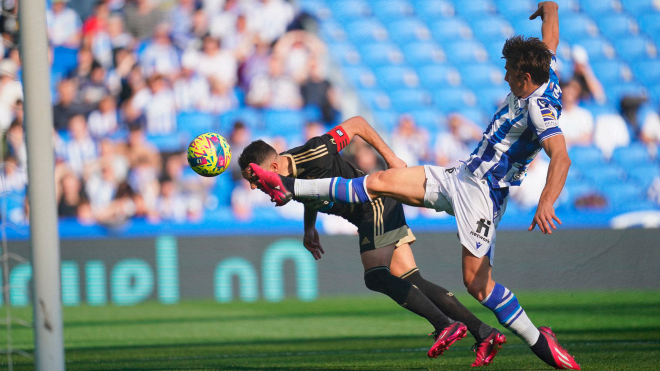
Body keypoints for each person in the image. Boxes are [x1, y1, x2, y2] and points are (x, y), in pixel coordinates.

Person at [248, 3, 581, 370]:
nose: (504, 77)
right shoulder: (542, 65)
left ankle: (538, 341)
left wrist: (547, 201)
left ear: (523, 73)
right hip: (460, 176)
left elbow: (560, 156)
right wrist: (549, 7)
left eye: (507, 70)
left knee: (477, 285)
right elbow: (551, 36)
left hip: (483, 196)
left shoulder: (539, 109)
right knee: (376, 182)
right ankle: (287, 187)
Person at [238, 116, 506, 366]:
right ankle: (484, 333)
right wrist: (310, 228)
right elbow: (308, 191)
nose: (253, 187)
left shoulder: (313, 152)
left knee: (375, 276)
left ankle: (444, 324)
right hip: (369, 212)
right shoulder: (286, 178)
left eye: (254, 178)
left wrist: (390, 158)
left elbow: (356, 124)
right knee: (413, 280)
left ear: (272, 167)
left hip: (373, 203)